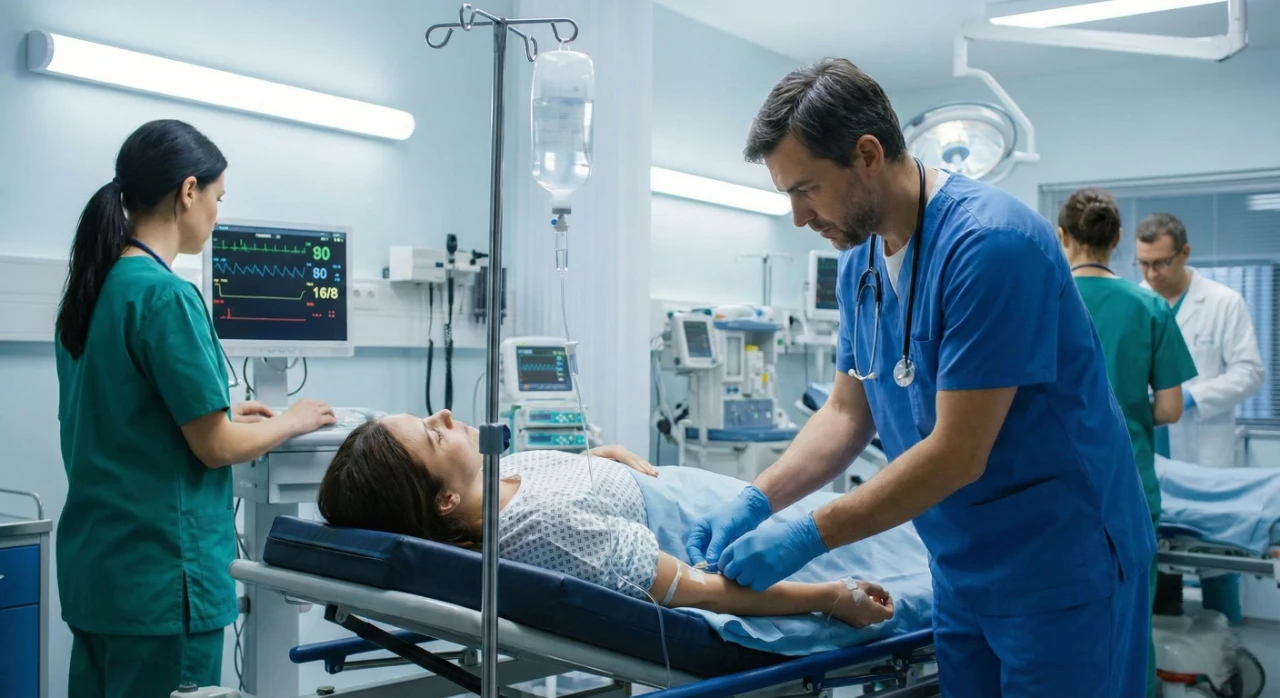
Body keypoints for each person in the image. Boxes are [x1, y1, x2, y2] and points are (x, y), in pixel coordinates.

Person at [683, 58, 1155, 697]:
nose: (798, 217)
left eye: (806, 190)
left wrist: (808, 535)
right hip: (960, 565)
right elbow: (847, 413)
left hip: (1061, 565)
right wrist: (758, 499)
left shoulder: (991, 245)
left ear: (867, 155)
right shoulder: (860, 262)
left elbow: (958, 453)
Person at [55, 119, 337, 697]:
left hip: (100, 571)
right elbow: (215, 448)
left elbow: (122, 414)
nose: (216, 215)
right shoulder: (166, 295)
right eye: (217, 199)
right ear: (188, 191)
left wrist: (222, 411)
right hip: (162, 580)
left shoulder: (93, 289)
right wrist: (294, 419)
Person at [316, 410, 902, 632]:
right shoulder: (539, 530)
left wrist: (596, 459)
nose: (444, 415)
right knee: (897, 545)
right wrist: (829, 597)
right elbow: (703, 591)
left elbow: (556, 485)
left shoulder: (492, 478)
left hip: (704, 494)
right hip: (706, 527)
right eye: (432, 434)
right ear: (444, 502)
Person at [1057, 188, 1198, 697]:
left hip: (1056, 490)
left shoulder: (1046, 302)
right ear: (1117, 239)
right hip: (1129, 488)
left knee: (1059, 629)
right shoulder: (1149, 306)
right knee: (1132, 626)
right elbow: (1170, 408)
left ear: (1062, 237)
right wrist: (1129, 407)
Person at [1136, 211, 1266, 627]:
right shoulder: (1137, 301)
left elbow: (1250, 372)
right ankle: (1170, 654)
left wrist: (1194, 397)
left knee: (1218, 567)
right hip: (1153, 452)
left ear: (1185, 253)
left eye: (1161, 263)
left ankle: (1228, 652)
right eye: (1143, 264)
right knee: (1161, 574)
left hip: (1204, 453)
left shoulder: (1224, 303)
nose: (1152, 274)